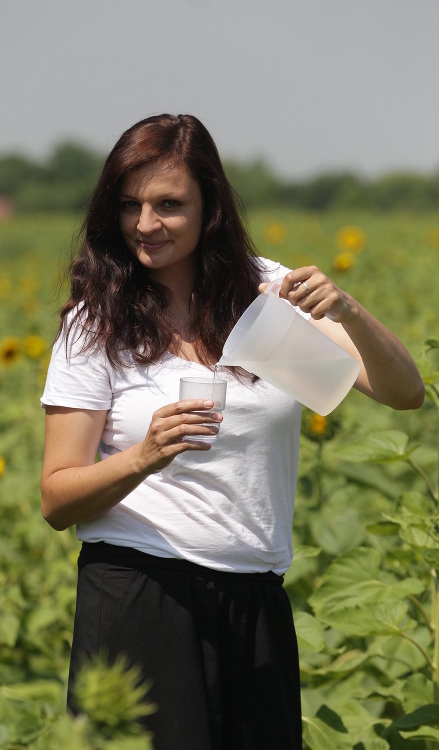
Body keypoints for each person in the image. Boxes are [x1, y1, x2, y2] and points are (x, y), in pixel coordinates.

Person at [40, 113, 424, 750]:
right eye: (130, 205)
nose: (145, 225)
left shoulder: (266, 297)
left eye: (169, 205)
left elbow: (403, 393)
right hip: (140, 594)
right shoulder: (96, 324)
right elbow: (56, 499)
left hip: (254, 601)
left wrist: (349, 312)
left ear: (210, 206)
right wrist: (145, 456)